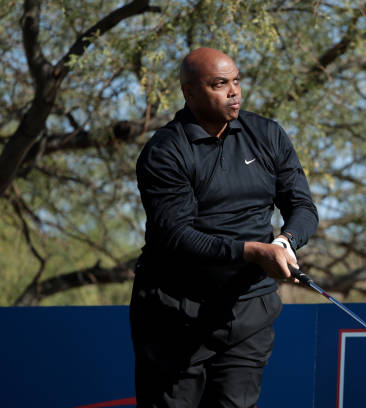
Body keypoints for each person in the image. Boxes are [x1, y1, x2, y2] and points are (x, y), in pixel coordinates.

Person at [129, 47, 318, 408]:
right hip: (175, 314)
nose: (234, 92)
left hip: (247, 309)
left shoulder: (266, 135)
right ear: (190, 92)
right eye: (220, 84)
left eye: (236, 81)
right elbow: (177, 236)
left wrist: (285, 241)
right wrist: (253, 251)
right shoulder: (166, 151)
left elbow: (301, 206)